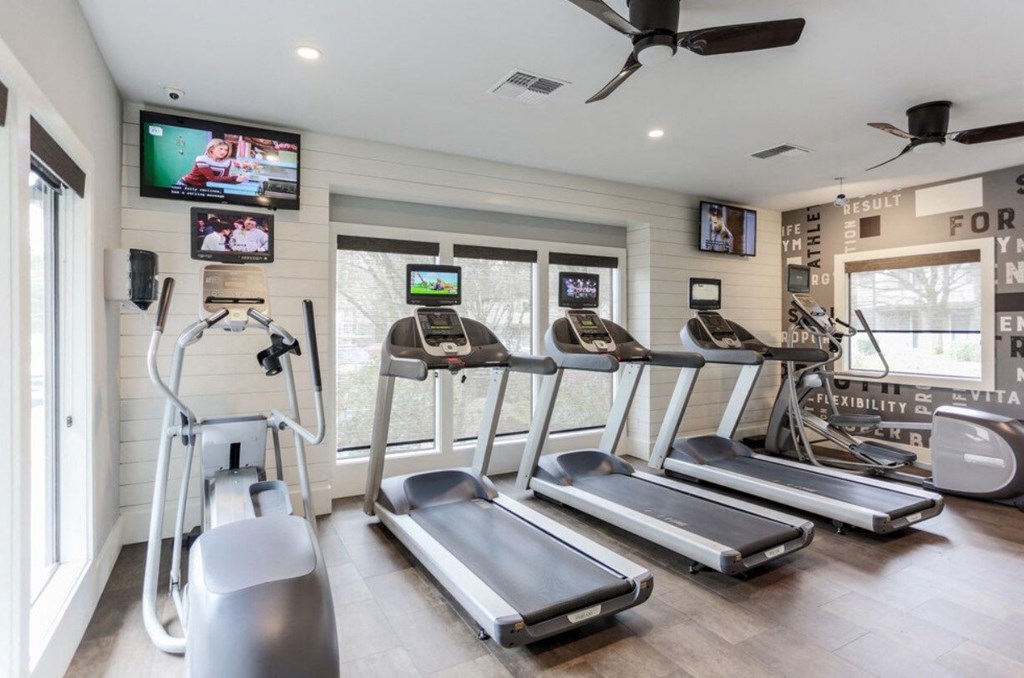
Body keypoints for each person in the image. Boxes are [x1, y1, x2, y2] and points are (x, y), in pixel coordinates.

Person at [179, 139, 248, 188]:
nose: (223, 152)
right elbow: (211, 178)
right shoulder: (202, 159)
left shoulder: (227, 162)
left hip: (202, 187)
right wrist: (234, 178)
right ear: (212, 149)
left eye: (226, 150)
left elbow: (224, 178)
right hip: (186, 185)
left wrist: (239, 179)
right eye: (220, 149)